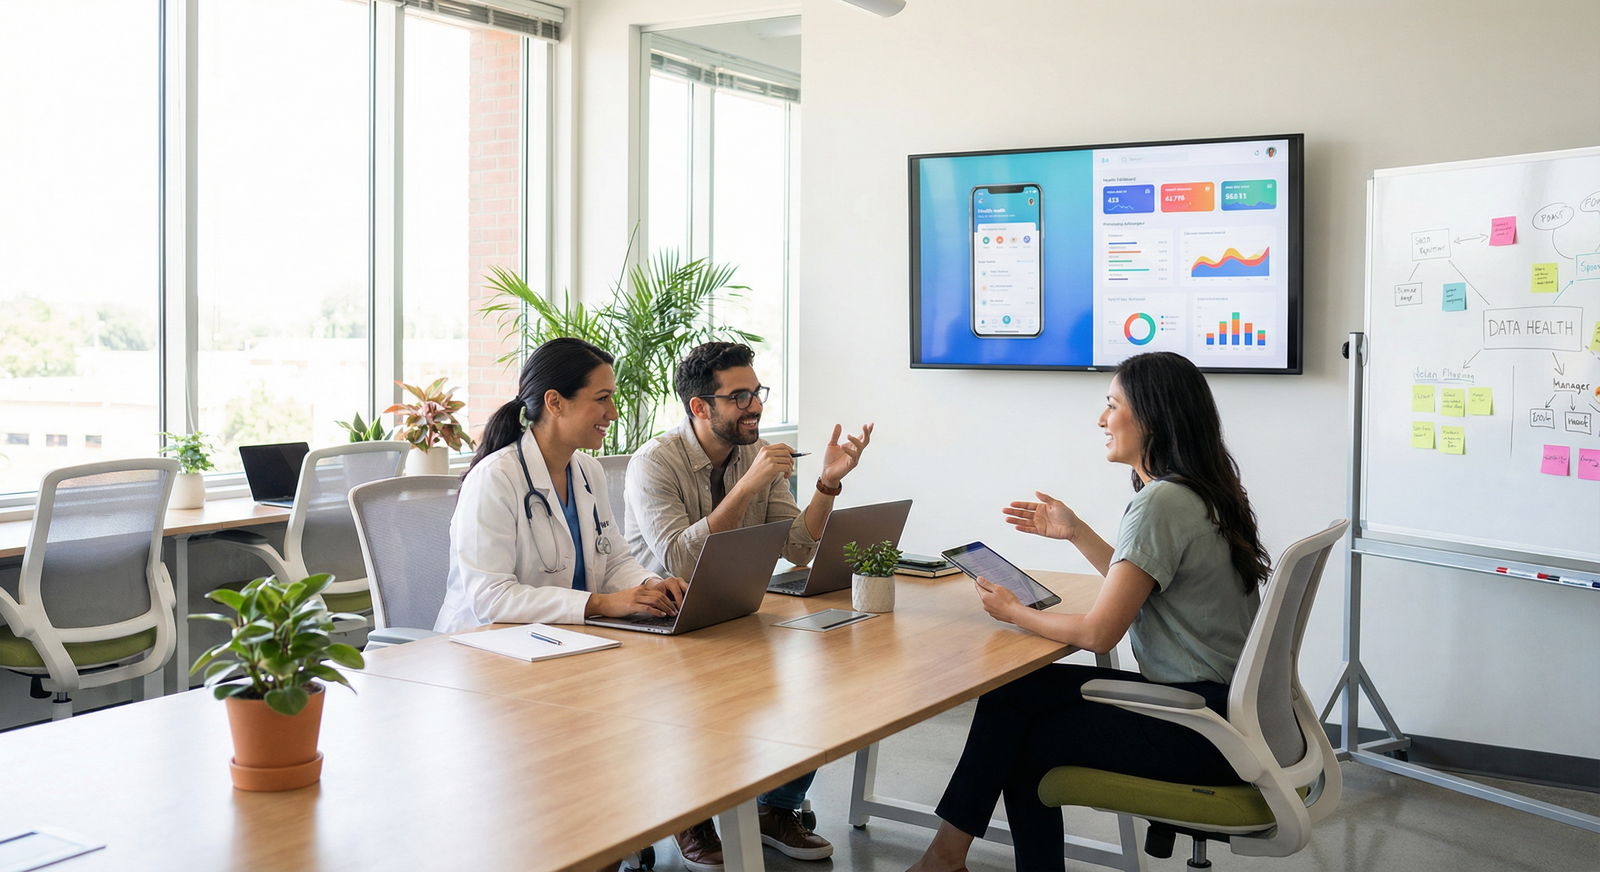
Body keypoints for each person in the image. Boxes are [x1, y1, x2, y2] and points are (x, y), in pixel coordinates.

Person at [909, 351, 1273, 872]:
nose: (1101, 420)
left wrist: (1015, 611)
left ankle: (944, 859)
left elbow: (1100, 633)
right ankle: (944, 858)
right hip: (1224, 715)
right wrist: (1076, 531)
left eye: (1112, 405)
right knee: (1011, 693)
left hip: (1197, 727)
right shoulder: (1202, 493)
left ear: (1153, 415)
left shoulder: (1160, 503)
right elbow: (1146, 585)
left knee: (1023, 739)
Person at [625, 341, 873, 869]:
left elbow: (798, 547)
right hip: (662, 626)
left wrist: (828, 482)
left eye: (756, 392)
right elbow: (679, 558)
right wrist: (752, 483)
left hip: (735, 611)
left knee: (830, 678)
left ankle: (775, 809)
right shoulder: (656, 463)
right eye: (739, 396)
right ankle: (687, 813)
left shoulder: (751, 457)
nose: (755, 406)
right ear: (700, 406)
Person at [435, 337, 687, 634]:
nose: (613, 412)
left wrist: (651, 586)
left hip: (567, 638)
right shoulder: (494, 478)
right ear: (555, 402)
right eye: (602, 398)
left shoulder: (588, 471)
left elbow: (614, 561)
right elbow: (492, 598)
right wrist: (600, 604)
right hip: (486, 648)